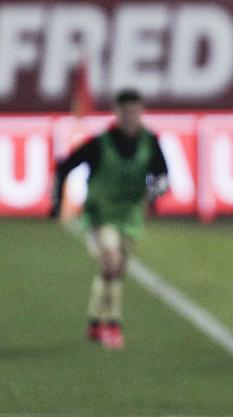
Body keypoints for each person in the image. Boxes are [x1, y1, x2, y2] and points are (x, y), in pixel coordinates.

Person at [51, 88, 169, 350]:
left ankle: (94, 320)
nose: (129, 117)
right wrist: (57, 203)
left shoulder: (150, 142)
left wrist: (156, 194)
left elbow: (162, 175)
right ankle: (113, 326)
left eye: (134, 111)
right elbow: (64, 166)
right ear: (116, 113)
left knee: (114, 271)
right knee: (112, 262)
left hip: (129, 216)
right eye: (125, 111)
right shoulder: (100, 143)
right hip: (100, 214)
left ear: (141, 112)